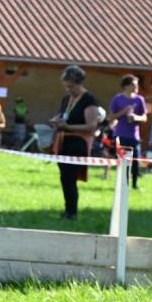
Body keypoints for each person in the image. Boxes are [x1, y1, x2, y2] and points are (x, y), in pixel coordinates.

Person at [49, 65, 99, 221]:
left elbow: (91, 126)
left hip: (78, 143)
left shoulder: (89, 100)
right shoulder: (66, 99)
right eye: (66, 86)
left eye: (71, 86)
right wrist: (56, 120)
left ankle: (72, 213)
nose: (68, 90)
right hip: (63, 142)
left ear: (79, 83)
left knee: (70, 178)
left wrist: (68, 126)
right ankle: (67, 211)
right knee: (64, 178)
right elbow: (64, 114)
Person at [109, 74, 147, 190]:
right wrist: (124, 112)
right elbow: (111, 117)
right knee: (122, 161)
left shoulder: (139, 100)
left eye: (137, 85)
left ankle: (135, 185)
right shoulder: (117, 99)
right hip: (120, 134)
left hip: (134, 136)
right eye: (134, 85)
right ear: (126, 86)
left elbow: (144, 117)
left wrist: (136, 117)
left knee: (135, 161)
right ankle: (123, 184)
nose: (136, 87)